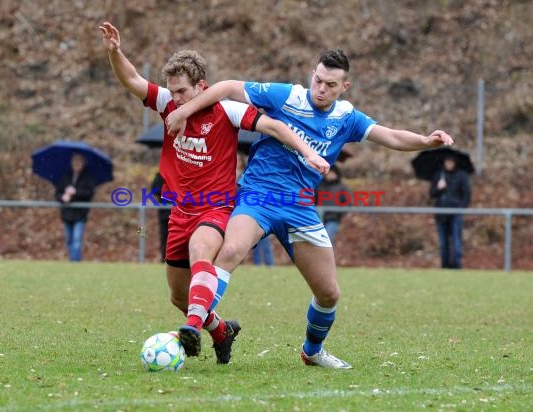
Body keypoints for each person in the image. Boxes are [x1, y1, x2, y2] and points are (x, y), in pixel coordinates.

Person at [166, 49, 454, 368]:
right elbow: (227, 87)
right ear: (311, 75)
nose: (320, 88)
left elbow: (391, 137)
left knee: (329, 293)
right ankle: (192, 328)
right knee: (230, 250)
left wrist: (426, 142)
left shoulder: (346, 118)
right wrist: (184, 111)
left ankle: (312, 351)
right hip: (257, 197)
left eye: (330, 84)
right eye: (317, 79)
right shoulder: (287, 96)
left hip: (300, 208)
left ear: (344, 87)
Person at [100, 22, 328, 364]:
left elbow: (274, 126)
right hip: (180, 211)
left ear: (201, 86)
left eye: (182, 91)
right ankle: (220, 330)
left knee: (200, 252)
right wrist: (115, 53)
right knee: (179, 295)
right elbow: (132, 80)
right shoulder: (167, 104)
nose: (174, 98)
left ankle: (191, 327)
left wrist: (308, 153)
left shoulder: (226, 110)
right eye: (171, 91)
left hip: (216, 208)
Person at [430, 156, 471, 269]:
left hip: (455, 214)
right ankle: (445, 266)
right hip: (441, 214)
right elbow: (432, 193)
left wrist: (460, 207)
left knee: (456, 240)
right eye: (447, 161)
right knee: (443, 243)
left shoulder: (461, 176)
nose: (449, 164)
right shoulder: (439, 175)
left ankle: (457, 265)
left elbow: (466, 194)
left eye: (451, 161)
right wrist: (439, 188)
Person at [55, 153, 96, 262]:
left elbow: (89, 193)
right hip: (67, 214)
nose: (76, 165)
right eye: (74, 162)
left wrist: (75, 193)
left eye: (79, 162)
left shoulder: (87, 178)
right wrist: (63, 197)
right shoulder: (66, 176)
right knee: (69, 239)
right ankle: (72, 260)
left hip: (80, 214)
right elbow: (58, 193)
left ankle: (75, 262)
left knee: (77, 239)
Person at [315, 164, 352, 246]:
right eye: (328, 173)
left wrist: (340, 214)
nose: (330, 175)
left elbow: (348, 202)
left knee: (326, 239)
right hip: (318, 218)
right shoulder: (319, 186)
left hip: (333, 218)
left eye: (332, 173)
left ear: (336, 174)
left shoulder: (342, 187)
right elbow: (313, 200)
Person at [150, 171, 171, 262]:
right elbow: (154, 189)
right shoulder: (160, 175)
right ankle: (164, 258)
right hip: (164, 213)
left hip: (178, 213)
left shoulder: (179, 174)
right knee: (164, 236)